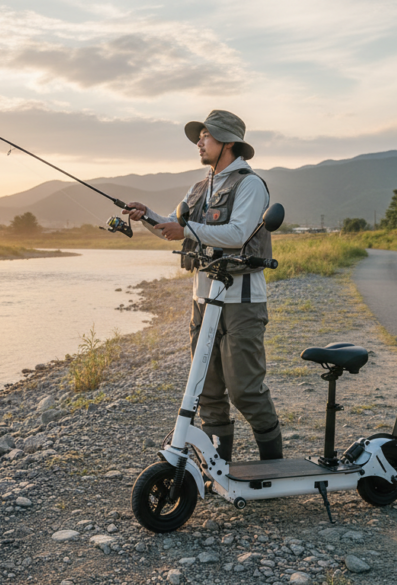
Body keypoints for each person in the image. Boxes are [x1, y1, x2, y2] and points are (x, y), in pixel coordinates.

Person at [123, 110, 282, 462]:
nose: (199, 142)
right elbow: (173, 226)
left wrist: (187, 230)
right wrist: (147, 214)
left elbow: (238, 234)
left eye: (206, 136)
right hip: (203, 300)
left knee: (245, 390)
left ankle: (273, 465)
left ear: (227, 142)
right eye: (200, 137)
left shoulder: (249, 184)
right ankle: (217, 467)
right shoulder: (200, 188)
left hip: (241, 303)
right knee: (207, 391)